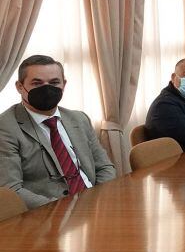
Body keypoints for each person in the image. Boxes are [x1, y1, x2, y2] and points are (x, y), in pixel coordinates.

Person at [0, 55, 116, 208]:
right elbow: (11, 189)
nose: (47, 89)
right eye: (37, 83)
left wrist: (97, 199)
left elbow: (105, 167)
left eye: (54, 82)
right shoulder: (6, 127)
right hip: (49, 214)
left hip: (96, 203)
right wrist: (62, 211)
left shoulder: (79, 119)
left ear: (64, 85)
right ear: (20, 87)